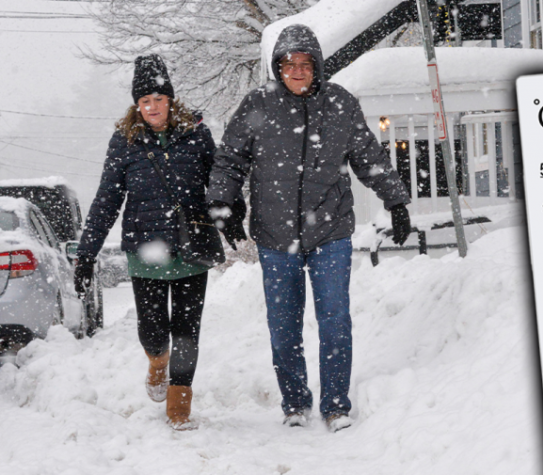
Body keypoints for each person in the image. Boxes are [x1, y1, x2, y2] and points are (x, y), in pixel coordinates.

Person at [206, 24, 412, 432]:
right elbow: (229, 158)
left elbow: (368, 156)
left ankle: (335, 405)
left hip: (330, 229)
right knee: (284, 325)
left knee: (334, 319)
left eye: (305, 63)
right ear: (277, 67)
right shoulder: (257, 104)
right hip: (274, 232)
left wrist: (396, 199)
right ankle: (295, 403)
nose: (297, 71)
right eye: (289, 63)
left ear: (317, 65)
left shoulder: (340, 104)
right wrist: (221, 204)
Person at [74, 54, 221, 430]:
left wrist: (230, 214)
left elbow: (221, 184)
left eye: (158, 98)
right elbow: (107, 201)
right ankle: (158, 361)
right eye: (144, 101)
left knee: (188, 331)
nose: (152, 107)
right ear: (136, 105)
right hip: (146, 252)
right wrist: (86, 255)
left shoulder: (197, 134)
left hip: (192, 248)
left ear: (170, 99)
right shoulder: (125, 142)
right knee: (153, 331)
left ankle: (179, 405)